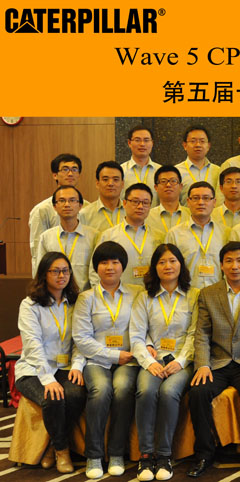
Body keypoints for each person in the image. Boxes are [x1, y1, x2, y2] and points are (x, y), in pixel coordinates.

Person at [187, 242, 240, 478]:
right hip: (218, 361)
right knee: (198, 392)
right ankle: (204, 454)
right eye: (229, 261)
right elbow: (202, 333)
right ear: (221, 265)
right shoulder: (208, 294)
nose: (235, 266)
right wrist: (203, 364)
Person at [72, 241, 142, 479]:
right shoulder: (86, 298)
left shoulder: (137, 293)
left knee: (123, 390)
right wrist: (114, 355)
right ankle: (93, 455)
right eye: (104, 262)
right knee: (100, 391)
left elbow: (144, 327)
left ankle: (116, 453)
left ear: (123, 266)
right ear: (96, 267)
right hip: (97, 361)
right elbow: (82, 338)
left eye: (115, 262)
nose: (110, 267)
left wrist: (139, 350)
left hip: (129, 360)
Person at [130, 244, 198, 481]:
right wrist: (149, 362)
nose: (168, 266)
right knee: (146, 391)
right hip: (153, 360)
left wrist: (181, 361)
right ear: (154, 267)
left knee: (169, 392)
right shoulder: (144, 297)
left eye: (172, 261)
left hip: (182, 361)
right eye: (161, 262)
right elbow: (137, 336)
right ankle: (146, 456)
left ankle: (165, 456)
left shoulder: (194, 295)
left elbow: (195, 334)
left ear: (181, 264)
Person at [16, 252, 86, 474]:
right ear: (43, 274)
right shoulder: (30, 305)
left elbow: (81, 340)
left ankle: (51, 447)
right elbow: (32, 345)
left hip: (65, 367)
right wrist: (47, 379)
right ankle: (62, 451)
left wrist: (77, 366)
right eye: (55, 271)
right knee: (53, 398)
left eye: (65, 271)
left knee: (76, 394)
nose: (61, 275)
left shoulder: (76, 303)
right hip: (33, 369)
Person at [90, 183, 164, 288]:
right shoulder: (109, 235)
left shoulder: (159, 236)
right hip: (119, 295)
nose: (140, 206)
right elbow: (95, 270)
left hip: (151, 294)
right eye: (135, 201)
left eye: (145, 203)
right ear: (124, 203)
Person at [29, 153, 87, 273]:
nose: (70, 174)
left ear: (79, 175)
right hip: (54, 275)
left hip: (81, 275)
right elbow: (37, 252)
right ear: (55, 175)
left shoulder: (87, 207)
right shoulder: (42, 210)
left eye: (74, 169)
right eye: (65, 169)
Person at [166, 181, 230, 288]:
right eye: (195, 198)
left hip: (218, 293)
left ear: (214, 202)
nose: (201, 202)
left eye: (206, 198)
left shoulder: (226, 233)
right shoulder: (174, 234)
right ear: (188, 202)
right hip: (186, 293)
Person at [36, 185, 98, 289]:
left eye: (72, 200)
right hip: (55, 296)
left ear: (80, 205)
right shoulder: (46, 237)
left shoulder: (94, 236)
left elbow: (96, 273)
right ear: (54, 206)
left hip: (84, 296)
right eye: (62, 201)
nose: (67, 204)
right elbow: (41, 272)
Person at [177, 125, 220, 204]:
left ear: (208, 146)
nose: (198, 145)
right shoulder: (177, 172)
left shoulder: (218, 171)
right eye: (193, 141)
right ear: (185, 145)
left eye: (202, 141)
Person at [79, 160, 126, 232]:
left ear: (122, 184)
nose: (110, 184)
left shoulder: (131, 212)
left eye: (115, 180)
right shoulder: (84, 215)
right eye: (105, 179)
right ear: (97, 183)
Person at [121, 125, 162, 205]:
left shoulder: (160, 171)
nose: (142, 144)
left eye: (146, 140)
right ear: (129, 143)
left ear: (152, 143)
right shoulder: (121, 171)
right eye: (137, 140)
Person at [149, 165, 190, 238]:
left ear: (180, 187)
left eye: (173, 181)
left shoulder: (191, 215)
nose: (168, 185)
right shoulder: (147, 216)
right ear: (156, 187)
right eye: (163, 181)